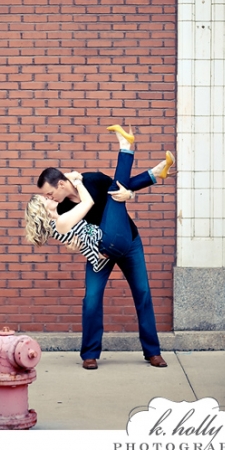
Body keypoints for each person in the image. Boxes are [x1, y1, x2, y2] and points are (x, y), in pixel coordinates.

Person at [31, 125, 175, 370]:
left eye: (49, 193)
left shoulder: (93, 180)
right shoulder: (62, 208)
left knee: (142, 293)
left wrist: (129, 196)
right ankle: (90, 354)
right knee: (92, 299)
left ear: (61, 183)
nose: (49, 198)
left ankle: (153, 352)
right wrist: (76, 247)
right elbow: (76, 235)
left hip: (127, 241)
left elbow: (122, 186)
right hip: (99, 253)